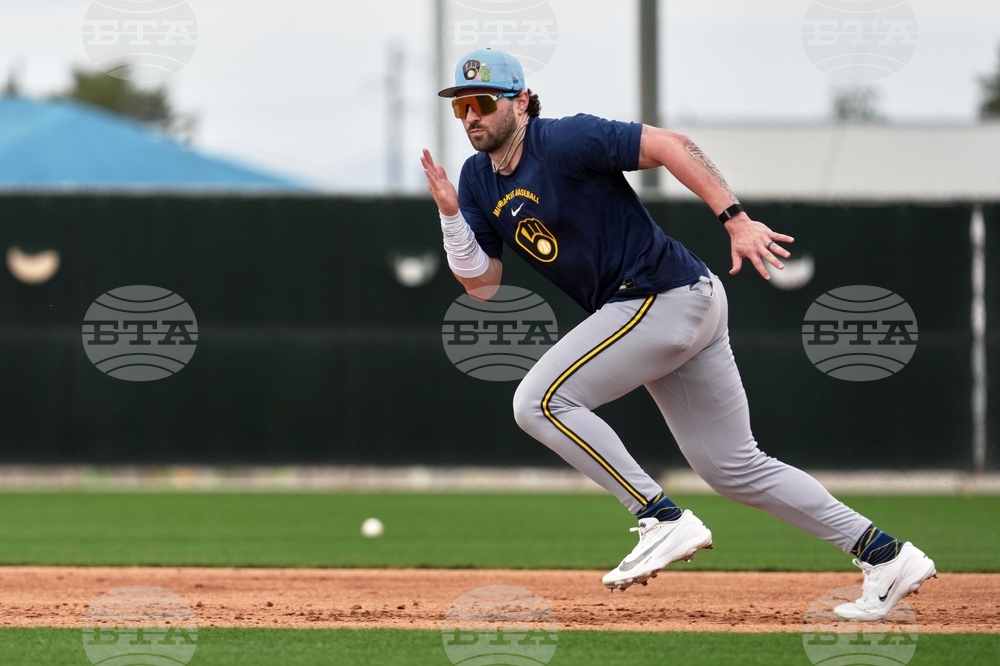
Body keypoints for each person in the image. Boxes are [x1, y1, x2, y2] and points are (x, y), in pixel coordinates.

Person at [421, 48, 936, 621]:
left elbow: (671, 145)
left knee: (539, 402)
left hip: (657, 294)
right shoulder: (475, 180)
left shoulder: (563, 139)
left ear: (520, 101)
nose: (471, 115)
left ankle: (659, 517)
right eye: (461, 106)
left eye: (482, 101)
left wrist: (735, 218)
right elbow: (483, 284)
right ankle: (886, 556)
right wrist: (450, 216)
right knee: (733, 467)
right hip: (679, 301)